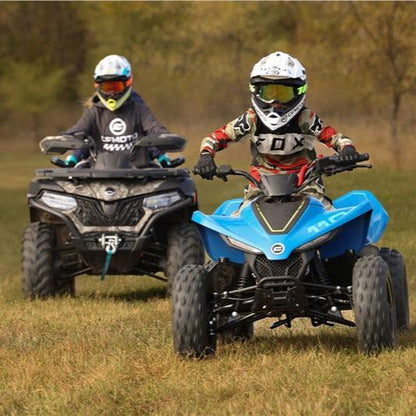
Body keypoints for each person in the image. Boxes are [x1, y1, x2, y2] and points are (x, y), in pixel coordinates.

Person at [194, 51, 360, 207]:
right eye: (268, 93)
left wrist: (348, 150)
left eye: (283, 94)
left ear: (298, 92)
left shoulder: (305, 118)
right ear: (256, 91)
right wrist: (206, 157)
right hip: (260, 180)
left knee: (319, 208)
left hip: (304, 179)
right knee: (246, 212)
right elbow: (215, 138)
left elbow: (335, 138)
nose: (275, 101)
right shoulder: (251, 119)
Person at [63, 54, 171, 168]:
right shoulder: (94, 111)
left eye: (116, 87)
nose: (112, 93)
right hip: (97, 177)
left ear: (128, 83)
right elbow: (77, 133)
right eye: (107, 88)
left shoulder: (139, 109)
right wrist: (64, 143)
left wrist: (166, 140)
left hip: (139, 176)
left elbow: (154, 129)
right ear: (98, 86)